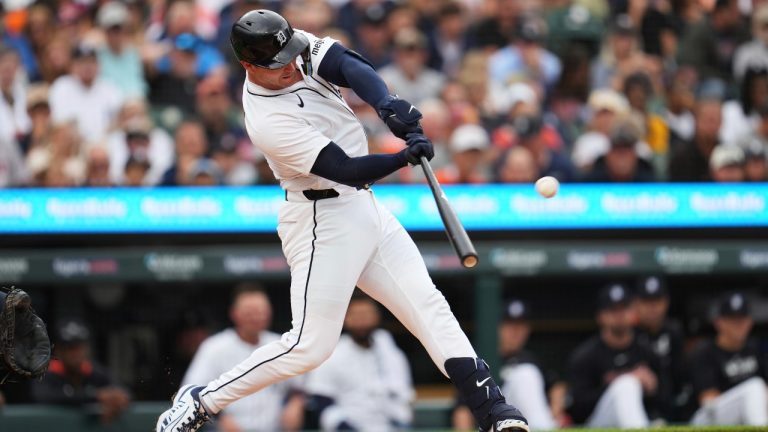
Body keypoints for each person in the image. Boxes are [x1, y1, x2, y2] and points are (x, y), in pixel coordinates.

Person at [156, 9, 529, 432]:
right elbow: (345, 168)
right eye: (280, 65)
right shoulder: (265, 119)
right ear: (249, 65)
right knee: (310, 346)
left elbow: (349, 63)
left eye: (293, 55)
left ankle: (495, 412)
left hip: (364, 208)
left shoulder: (288, 44)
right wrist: (402, 157)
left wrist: (387, 106)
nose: (294, 66)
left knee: (430, 308)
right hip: (320, 218)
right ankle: (202, 399)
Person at [182, 284, 304, 432]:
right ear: (234, 313)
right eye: (249, 312)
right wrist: (220, 417)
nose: (256, 317)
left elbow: (301, 386)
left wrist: (296, 403)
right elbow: (191, 392)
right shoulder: (214, 347)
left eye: (261, 311)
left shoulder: (283, 344)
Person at [304, 293, 414, 431]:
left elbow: (404, 397)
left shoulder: (391, 352)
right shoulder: (330, 354)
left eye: (367, 315)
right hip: (350, 427)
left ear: (377, 317)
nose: (362, 321)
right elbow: (320, 402)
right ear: (345, 318)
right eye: (356, 316)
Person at [454, 300, 561, 430]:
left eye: (520, 325)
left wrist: (555, 412)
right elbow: (463, 409)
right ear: (497, 327)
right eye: (510, 325)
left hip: (527, 423)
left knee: (527, 373)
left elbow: (557, 386)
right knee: (525, 375)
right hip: (494, 424)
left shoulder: (530, 359)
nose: (515, 331)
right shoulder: (481, 359)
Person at [566, 283, 658, 428]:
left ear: (633, 312)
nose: (619, 315)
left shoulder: (647, 351)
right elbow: (577, 409)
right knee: (626, 385)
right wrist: (618, 383)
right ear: (600, 316)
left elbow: (668, 402)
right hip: (598, 424)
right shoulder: (585, 355)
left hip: (641, 420)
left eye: (624, 308)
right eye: (613, 310)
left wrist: (652, 389)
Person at [689, 292, 768, 426]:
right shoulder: (705, 351)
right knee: (754, 387)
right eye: (733, 320)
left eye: (742, 319)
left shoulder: (756, 349)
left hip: (753, 414)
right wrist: (745, 399)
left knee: (757, 390)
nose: (739, 325)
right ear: (719, 322)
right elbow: (708, 399)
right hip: (709, 417)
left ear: (750, 321)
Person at [31, 319, 131, 424]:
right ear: (59, 351)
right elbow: (43, 396)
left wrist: (117, 401)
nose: (75, 354)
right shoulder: (46, 372)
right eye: (70, 348)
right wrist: (96, 397)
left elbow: (124, 391)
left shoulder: (95, 372)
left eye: (79, 347)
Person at [632, 276, 689, 422]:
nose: (652, 308)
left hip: (671, 404)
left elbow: (679, 374)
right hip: (639, 404)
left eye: (657, 301)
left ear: (666, 302)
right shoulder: (629, 333)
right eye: (647, 302)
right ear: (636, 304)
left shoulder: (674, 331)